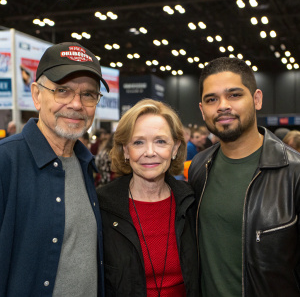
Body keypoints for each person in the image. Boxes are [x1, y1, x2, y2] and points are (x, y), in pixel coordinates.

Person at [0, 42, 110, 297]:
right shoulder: (6, 161)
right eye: (63, 90)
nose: (76, 104)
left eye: (89, 94)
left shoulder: (84, 164)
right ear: (37, 95)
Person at [188, 56, 300, 296]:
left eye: (234, 95)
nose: (222, 106)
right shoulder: (199, 167)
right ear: (202, 110)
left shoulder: (294, 172)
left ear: (257, 99)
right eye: (211, 99)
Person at [97, 99, 199, 296]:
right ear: (126, 150)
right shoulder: (102, 206)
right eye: (138, 142)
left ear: (175, 148)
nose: (150, 152)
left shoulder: (191, 201)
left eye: (160, 141)